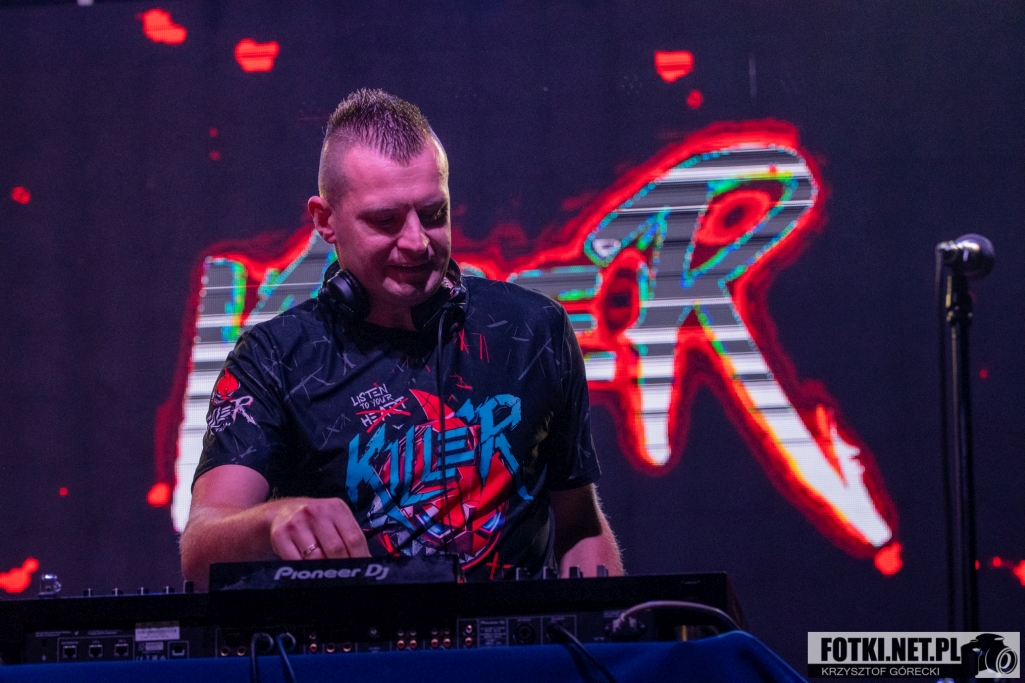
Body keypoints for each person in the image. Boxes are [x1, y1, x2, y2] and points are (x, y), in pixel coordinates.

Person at [180, 89, 623, 589]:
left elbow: (580, 526)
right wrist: (271, 522)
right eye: (385, 221)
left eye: (433, 214)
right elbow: (201, 550)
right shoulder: (273, 359)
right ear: (325, 221)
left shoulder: (534, 330)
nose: (416, 242)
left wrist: (609, 626)